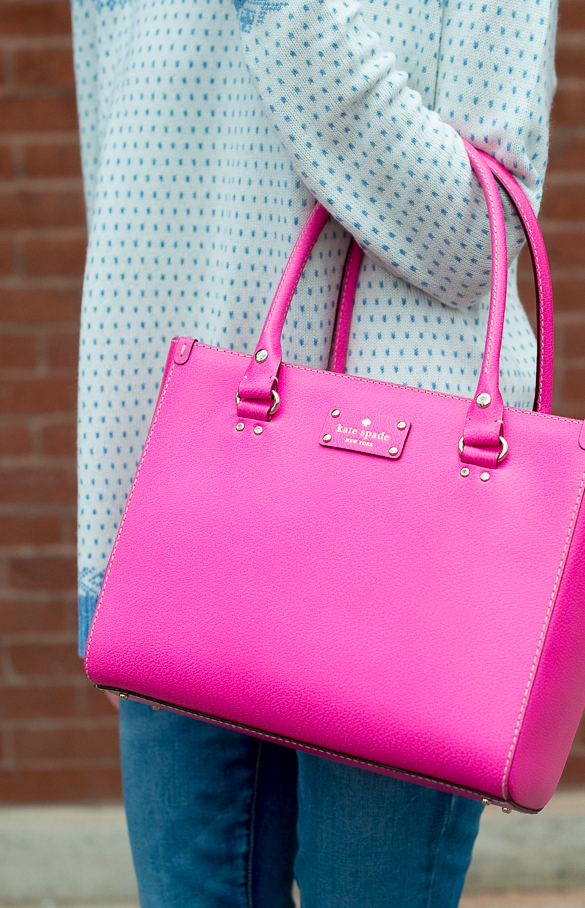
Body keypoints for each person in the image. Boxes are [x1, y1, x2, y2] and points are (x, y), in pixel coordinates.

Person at [69, 0, 558, 904]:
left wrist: (286, 16)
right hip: (175, 515)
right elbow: (122, 221)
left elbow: (469, 239)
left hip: (405, 538)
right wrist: (106, 554)